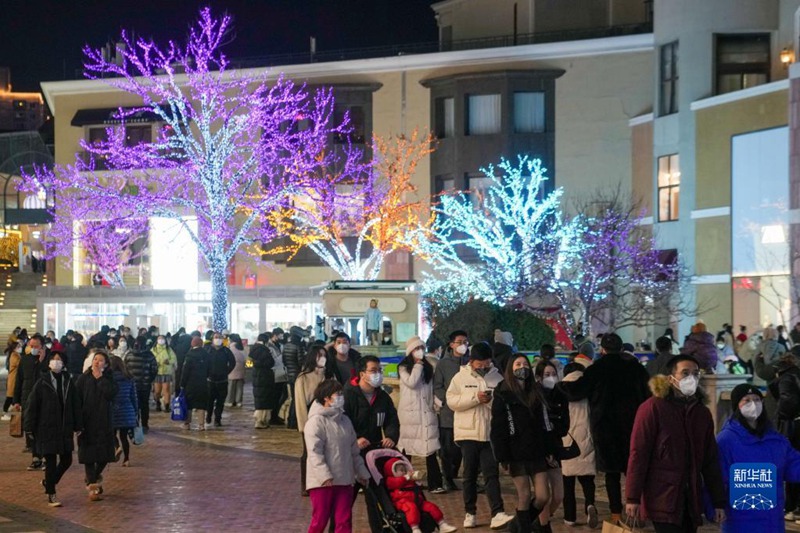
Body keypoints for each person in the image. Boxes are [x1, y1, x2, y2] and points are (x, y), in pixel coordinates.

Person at [625, 354, 726, 532]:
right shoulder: (653, 408)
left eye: (695, 373)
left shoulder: (701, 413)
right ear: (671, 378)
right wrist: (632, 498)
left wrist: (718, 501)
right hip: (662, 497)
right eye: (685, 373)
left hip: (691, 498)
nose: (691, 378)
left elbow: (710, 460)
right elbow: (638, 454)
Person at [560, 333, 650, 523]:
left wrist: (560, 387)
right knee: (634, 470)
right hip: (633, 426)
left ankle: (616, 514)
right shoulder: (635, 368)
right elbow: (648, 394)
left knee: (612, 474)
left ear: (602, 349)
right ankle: (639, 514)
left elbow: (577, 391)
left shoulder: (597, 368)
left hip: (606, 427)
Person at [446, 341, 514, 530]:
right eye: (480, 363)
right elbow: (451, 401)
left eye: (486, 362)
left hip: (489, 434)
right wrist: (476, 398)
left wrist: (490, 401)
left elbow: (503, 404)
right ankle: (470, 513)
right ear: (472, 360)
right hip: (467, 434)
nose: (484, 366)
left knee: (491, 474)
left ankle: (497, 512)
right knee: (469, 475)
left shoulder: (497, 377)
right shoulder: (460, 377)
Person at [717, 384, 800, 532]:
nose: (753, 404)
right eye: (746, 400)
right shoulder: (725, 440)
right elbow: (717, 478)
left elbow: (794, 466)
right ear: (737, 406)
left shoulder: (776, 440)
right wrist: (715, 506)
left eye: (757, 399)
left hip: (772, 521)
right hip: (739, 521)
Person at [490, 353, 550, 533]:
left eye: (525, 364)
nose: (522, 367)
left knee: (542, 496)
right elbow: (498, 428)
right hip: (515, 453)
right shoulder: (503, 394)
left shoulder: (535, 392)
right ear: (510, 368)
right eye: (517, 364)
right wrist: (502, 457)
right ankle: (523, 529)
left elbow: (542, 424)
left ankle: (516, 527)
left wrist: (548, 448)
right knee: (524, 495)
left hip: (536, 451)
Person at [343, 355, 400, 532]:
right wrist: (356, 439)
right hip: (352, 456)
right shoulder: (348, 395)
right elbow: (343, 422)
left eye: (379, 370)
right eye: (373, 371)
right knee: (345, 501)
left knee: (376, 498)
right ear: (362, 374)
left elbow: (392, 420)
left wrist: (390, 436)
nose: (378, 374)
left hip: (374, 455)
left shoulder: (382, 397)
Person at [305, 379, 370, 533]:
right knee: (320, 520)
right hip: (322, 483)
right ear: (326, 397)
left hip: (345, 480)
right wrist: (324, 475)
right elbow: (314, 453)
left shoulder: (345, 421)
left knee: (344, 521)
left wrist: (361, 472)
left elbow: (354, 451)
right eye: (338, 394)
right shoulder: (315, 422)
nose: (341, 397)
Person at [24, 352, 81, 507]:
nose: (56, 362)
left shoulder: (68, 381)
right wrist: (28, 427)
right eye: (54, 359)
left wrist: (78, 425)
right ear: (49, 363)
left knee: (67, 460)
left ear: (64, 363)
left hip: (65, 427)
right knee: (50, 461)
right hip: (47, 427)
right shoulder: (42, 382)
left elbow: (75, 405)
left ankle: (49, 482)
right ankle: (51, 493)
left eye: (59, 360)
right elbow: (32, 405)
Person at [397, 336, 444, 493]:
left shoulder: (428, 367)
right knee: (407, 448)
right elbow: (412, 382)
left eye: (422, 348)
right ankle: (403, 481)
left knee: (430, 447)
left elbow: (429, 387)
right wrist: (417, 366)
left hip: (426, 412)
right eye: (416, 349)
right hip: (410, 415)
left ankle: (435, 483)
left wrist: (437, 403)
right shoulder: (403, 367)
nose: (420, 352)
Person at [75, 350, 119, 501]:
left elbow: (111, 394)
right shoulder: (83, 378)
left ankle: (92, 478)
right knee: (88, 455)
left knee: (104, 454)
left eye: (101, 360)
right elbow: (77, 399)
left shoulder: (109, 378)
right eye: (95, 359)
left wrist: (101, 379)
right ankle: (93, 486)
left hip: (104, 422)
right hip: (87, 422)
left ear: (106, 365)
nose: (97, 362)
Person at [560, 359, 598, 529]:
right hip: (587, 436)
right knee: (587, 479)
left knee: (567, 483)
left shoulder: (560, 389)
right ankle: (590, 504)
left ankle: (570, 517)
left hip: (566, 439)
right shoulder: (590, 388)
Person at [534, 359, 569, 533]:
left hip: (555, 447)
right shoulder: (535, 396)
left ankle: (537, 521)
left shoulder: (560, 395)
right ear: (539, 378)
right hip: (538, 449)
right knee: (543, 495)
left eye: (553, 374)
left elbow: (565, 424)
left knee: (558, 495)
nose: (551, 378)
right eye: (547, 375)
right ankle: (543, 526)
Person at [383, 457, 458, 533]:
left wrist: (416, 480)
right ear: (393, 472)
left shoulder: (408, 480)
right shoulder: (391, 480)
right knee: (411, 508)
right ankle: (415, 528)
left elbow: (417, 486)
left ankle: (442, 524)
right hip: (403, 502)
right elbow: (397, 482)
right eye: (401, 470)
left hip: (417, 500)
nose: (404, 472)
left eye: (405, 470)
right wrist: (406, 477)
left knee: (431, 507)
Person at [433, 330, 468, 491]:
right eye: (459, 342)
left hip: (467, 411)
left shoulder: (469, 362)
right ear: (451, 344)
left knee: (462, 448)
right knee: (447, 449)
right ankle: (447, 477)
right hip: (449, 413)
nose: (463, 345)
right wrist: (448, 400)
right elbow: (437, 386)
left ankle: (458, 475)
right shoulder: (443, 364)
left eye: (465, 342)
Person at [295, 342, 330, 495]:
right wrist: (303, 425)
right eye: (319, 355)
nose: (322, 359)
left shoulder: (329, 375)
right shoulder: (303, 378)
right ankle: (306, 485)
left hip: (327, 418)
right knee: (309, 452)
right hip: (310, 418)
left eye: (324, 355)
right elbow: (300, 403)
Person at [771, 355, 800, 519]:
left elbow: (787, 401)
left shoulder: (786, 378)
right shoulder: (796, 374)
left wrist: (780, 417)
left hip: (794, 427)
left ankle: (792, 507)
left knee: (792, 465)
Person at [13, 336, 47, 470]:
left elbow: (46, 375)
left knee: (43, 428)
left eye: (36, 346)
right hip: (27, 398)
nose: (33, 348)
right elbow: (19, 380)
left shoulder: (49, 359)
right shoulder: (25, 359)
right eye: (31, 346)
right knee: (30, 428)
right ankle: (35, 457)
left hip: (44, 399)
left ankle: (45, 456)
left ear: (42, 346)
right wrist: (16, 400)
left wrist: (42, 361)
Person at [123, 337, 158, 433]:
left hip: (132, 385)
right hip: (145, 385)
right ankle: (145, 425)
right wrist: (149, 379)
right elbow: (154, 369)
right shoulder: (149, 355)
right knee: (144, 405)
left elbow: (124, 369)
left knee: (134, 405)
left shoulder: (129, 355)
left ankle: (135, 424)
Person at [110, 355, 138, 467]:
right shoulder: (128, 378)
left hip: (113, 409)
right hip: (127, 410)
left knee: (111, 433)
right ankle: (126, 459)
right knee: (124, 436)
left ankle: (117, 446)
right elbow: (133, 396)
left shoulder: (109, 378)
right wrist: (135, 411)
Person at [205, 331, 236, 427]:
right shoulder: (207, 350)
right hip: (210, 380)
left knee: (220, 402)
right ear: (212, 339)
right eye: (216, 337)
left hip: (222, 380)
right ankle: (208, 417)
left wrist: (226, 371)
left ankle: (218, 419)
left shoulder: (226, 351)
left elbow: (232, 362)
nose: (217, 339)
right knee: (209, 401)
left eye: (219, 337)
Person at [180, 337, 210, 430]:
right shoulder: (206, 354)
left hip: (190, 384)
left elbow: (185, 371)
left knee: (188, 404)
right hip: (202, 383)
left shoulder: (190, 355)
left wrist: (182, 383)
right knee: (201, 404)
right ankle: (201, 425)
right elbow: (209, 369)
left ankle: (187, 424)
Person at [250, 332, 276, 429]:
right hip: (264, 377)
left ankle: (261, 420)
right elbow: (271, 362)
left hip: (256, 376)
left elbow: (250, 363)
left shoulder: (253, 349)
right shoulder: (264, 350)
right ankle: (262, 420)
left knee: (260, 398)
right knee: (265, 399)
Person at [283, 326, 305, 429]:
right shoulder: (298, 346)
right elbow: (301, 361)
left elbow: (284, 360)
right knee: (297, 399)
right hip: (297, 375)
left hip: (289, 375)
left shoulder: (286, 345)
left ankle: (290, 420)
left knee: (293, 398)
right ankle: (293, 421)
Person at [267, 327, 289, 426]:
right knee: (275, 397)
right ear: (275, 335)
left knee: (280, 396)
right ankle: (273, 417)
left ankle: (276, 416)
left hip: (282, 374)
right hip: (274, 374)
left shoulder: (280, 345)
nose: (281, 336)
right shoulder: (269, 346)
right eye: (280, 334)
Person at [152, 335, 177, 412]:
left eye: (162, 339)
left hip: (166, 372)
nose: (161, 340)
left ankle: (167, 405)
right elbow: (150, 358)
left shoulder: (169, 349)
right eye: (159, 339)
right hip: (157, 372)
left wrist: (168, 362)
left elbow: (174, 358)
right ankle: (158, 403)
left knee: (166, 389)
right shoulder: (153, 349)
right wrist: (155, 364)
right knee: (157, 390)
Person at [226, 334, 246, 408]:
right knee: (239, 387)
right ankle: (238, 401)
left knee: (231, 387)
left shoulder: (230, 348)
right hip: (241, 369)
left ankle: (230, 401)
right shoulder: (241, 348)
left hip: (232, 369)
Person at [3, 341, 22, 420]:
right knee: (10, 397)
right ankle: (5, 412)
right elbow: (19, 364)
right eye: (18, 346)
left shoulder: (16, 354)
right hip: (13, 379)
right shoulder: (14, 355)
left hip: (15, 378)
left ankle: (8, 412)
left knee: (13, 397)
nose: (20, 347)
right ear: (14, 348)